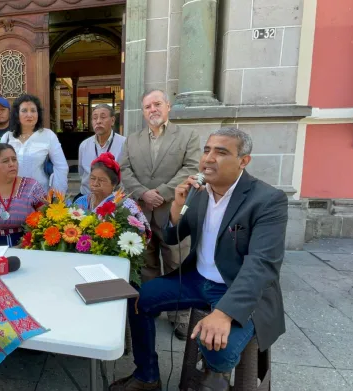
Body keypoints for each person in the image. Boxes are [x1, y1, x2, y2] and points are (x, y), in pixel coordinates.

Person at [110, 128, 288, 391]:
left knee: (216, 346)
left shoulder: (267, 200)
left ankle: (215, 378)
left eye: (221, 152)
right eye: (207, 150)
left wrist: (225, 312)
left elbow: (262, 264)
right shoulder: (199, 192)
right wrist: (174, 208)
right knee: (139, 299)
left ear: (243, 161)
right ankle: (147, 376)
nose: (209, 158)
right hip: (197, 279)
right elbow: (173, 237)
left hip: (236, 287)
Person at [120, 89, 200, 337]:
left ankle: (181, 315)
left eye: (157, 104)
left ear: (168, 106)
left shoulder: (188, 136)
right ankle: (152, 305)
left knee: (177, 262)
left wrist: (162, 193)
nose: (152, 110)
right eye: (147, 107)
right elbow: (124, 170)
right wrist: (143, 193)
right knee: (147, 263)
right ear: (143, 112)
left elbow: (192, 168)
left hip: (173, 211)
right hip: (142, 211)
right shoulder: (132, 140)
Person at [1, 94, 69, 194]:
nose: (29, 115)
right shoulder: (7, 137)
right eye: (24, 110)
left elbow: (61, 167)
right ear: (17, 114)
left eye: (33, 110)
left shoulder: (48, 135)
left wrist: (57, 196)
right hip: (12, 195)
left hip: (39, 196)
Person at [73, 152, 148, 234]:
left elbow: (142, 233)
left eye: (101, 180)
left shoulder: (126, 205)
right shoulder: (80, 202)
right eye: (92, 178)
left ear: (114, 184)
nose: (95, 183)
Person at [77, 104, 126, 199]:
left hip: (114, 200)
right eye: (94, 118)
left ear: (112, 120)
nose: (98, 121)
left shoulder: (124, 143)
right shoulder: (84, 145)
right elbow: (82, 173)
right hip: (87, 198)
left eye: (103, 117)